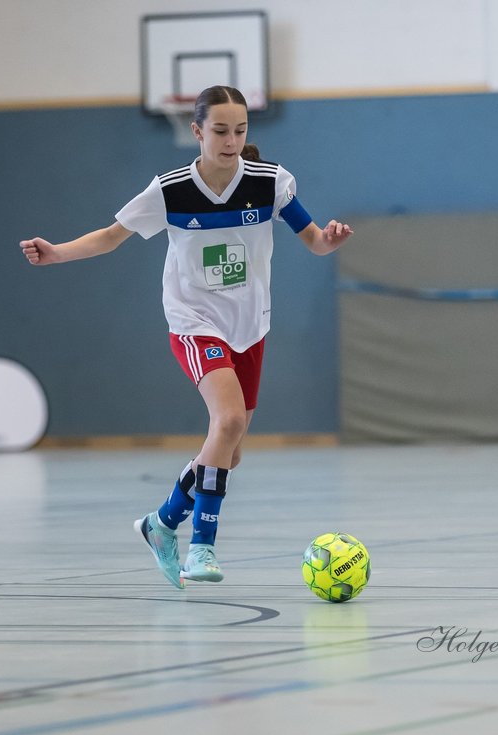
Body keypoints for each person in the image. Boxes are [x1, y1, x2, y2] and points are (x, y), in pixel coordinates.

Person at [20, 85, 352, 587]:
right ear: (196, 131)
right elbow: (111, 237)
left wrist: (328, 241)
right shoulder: (171, 190)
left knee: (230, 446)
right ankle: (202, 547)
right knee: (230, 419)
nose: (231, 140)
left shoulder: (270, 182)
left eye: (240, 130)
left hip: (250, 325)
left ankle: (161, 523)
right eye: (220, 131)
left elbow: (313, 242)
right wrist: (57, 252)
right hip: (194, 321)